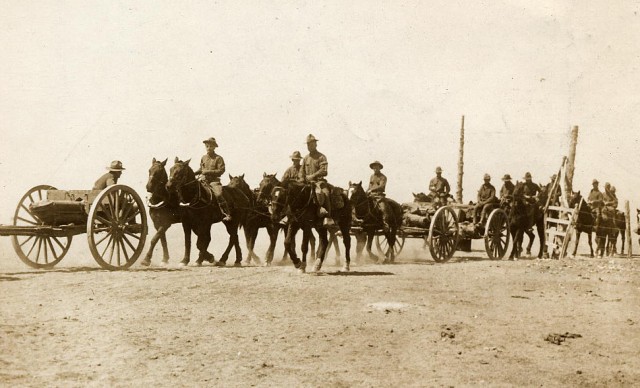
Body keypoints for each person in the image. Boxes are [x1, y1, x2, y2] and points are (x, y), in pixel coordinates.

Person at [298, 134, 334, 225]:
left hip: (319, 182)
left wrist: (312, 176)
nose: (310, 146)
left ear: (316, 144)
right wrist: (302, 178)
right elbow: (301, 171)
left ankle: (328, 217)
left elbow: (324, 171)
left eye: (312, 144)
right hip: (307, 183)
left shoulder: (322, 157)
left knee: (325, 193)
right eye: (308, 144)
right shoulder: (306, 158)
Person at [195, 137, 231, 221]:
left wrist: (207, 172)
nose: (208, 148)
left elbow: (221, 170)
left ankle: (227, 213)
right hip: (203, 181)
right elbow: (201, 169)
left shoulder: (218, 158)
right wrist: (193, 173)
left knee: (218, 194)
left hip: (214, 181)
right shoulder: (203, 157)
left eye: (210, 146)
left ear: (214, 147)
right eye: (207, 146)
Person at [367, 160, 390, 229]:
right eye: (374, 167)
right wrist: (366, 191)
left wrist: (372, 190)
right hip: (371, 195)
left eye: (377, 167)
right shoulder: (371, 176)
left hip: (379, 195)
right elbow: (369, 186)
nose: (375, 169)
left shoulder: (383, 177)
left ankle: (385, 223)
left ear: (380, 168)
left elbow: (381, 186)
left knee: (383, 208)